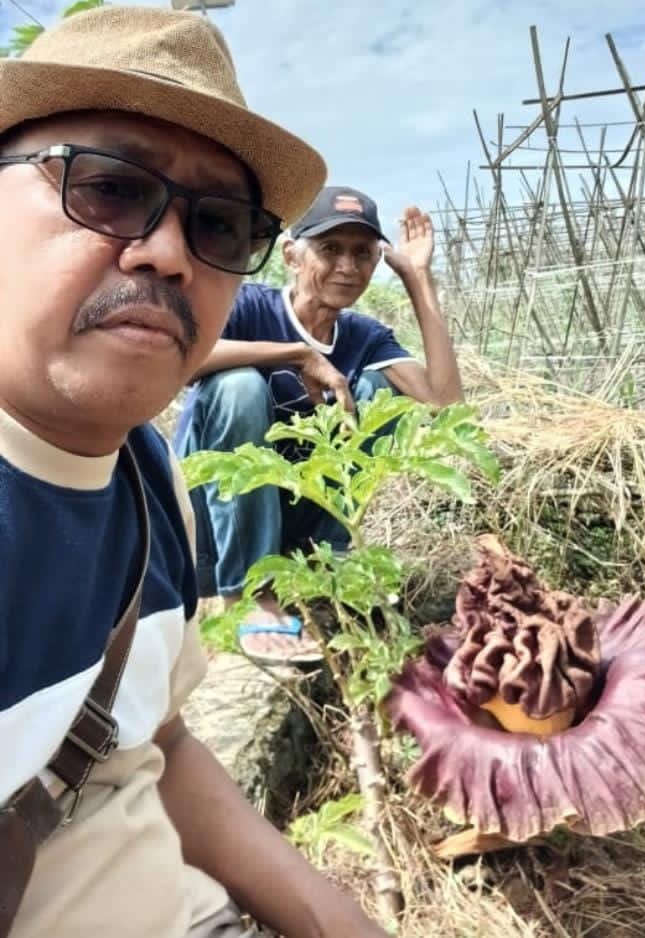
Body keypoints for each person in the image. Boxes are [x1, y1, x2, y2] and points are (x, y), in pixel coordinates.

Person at [0, 6, 390, 938]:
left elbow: (155, 744)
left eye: (217, 223)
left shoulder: (144, 471)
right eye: (106, 188)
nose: (168, 251)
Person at [174, 186, 463, 664]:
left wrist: (417, 279)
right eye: (330, 249)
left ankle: (329, 567)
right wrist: (296, 353)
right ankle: (251, 595)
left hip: (293, 527)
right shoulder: (248, 309)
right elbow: (179, 361)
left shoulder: (363, 337)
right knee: (240, 386)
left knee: (378, 392)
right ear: (291, 255)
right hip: (212, 520)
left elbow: (446, 405)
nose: (347, 267)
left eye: (363, 253)